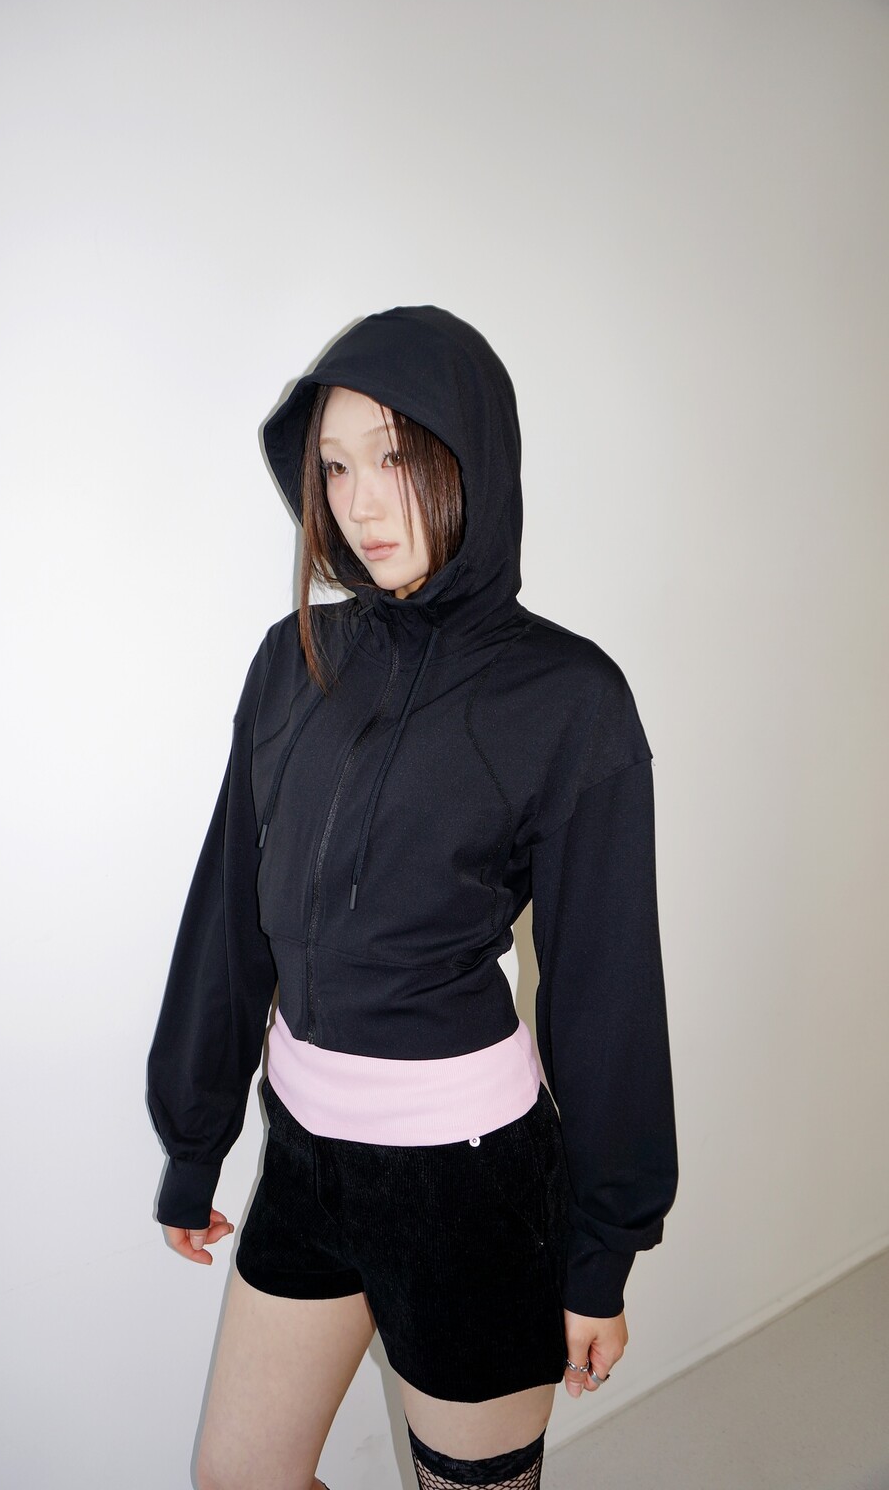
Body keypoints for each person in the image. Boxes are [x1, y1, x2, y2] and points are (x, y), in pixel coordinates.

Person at [147, 305, 678, 1490]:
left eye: (392, 456)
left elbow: (603, 994)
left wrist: (600, 1254)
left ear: (469, 457)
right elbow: (229, 918)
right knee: (237, 1476)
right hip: (307, 1162)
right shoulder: (293, 660)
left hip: (467, 1185)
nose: (359, 502)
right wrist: (196, 1138)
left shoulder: (569, 697)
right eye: (334, 468)